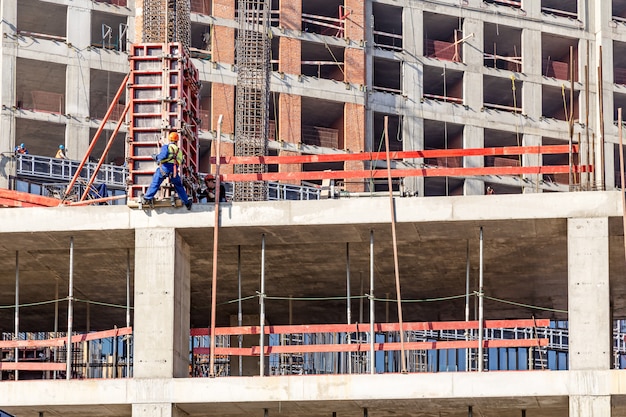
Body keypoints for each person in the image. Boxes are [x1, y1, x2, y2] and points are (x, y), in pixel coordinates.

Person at [142, 132, 192, 210]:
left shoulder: (166, 147)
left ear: (169, 139)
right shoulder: (179, 151)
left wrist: (156, 157)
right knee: (179, 186)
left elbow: (163, 155)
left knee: (156, 181)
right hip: (174, 170)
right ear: (177, 140)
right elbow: (181, 161)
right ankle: (186, 202)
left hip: (165, 168)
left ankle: (147, 198)